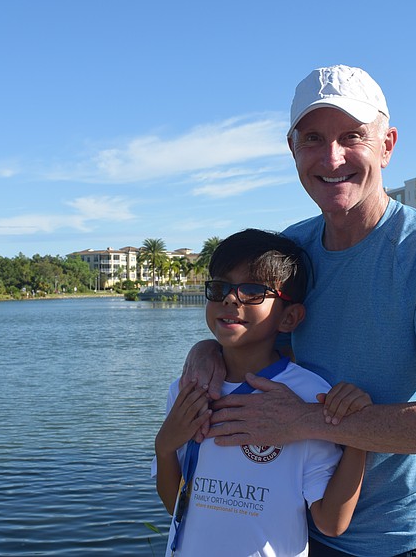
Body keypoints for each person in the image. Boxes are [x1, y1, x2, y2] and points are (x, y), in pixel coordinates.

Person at [182, 65, 416, 556]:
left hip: (400, 540)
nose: (332, 157)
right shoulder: (292, 250)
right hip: (296, 532)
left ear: (387, 145)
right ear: (292, 149)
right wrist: (205, 351)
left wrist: (305, 421)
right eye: (313, 138)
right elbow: (259, 346)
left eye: (353, 136)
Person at [153, 228, 370, 556]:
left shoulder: (309, 395)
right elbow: (176, 507)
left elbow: (331, 521)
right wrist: (165, 447)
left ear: (290, 317)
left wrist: (357, 436)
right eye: (220, 287)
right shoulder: (188, 389)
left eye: (253, 291)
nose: (230, 299)